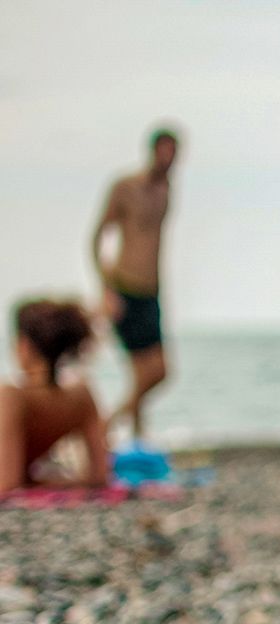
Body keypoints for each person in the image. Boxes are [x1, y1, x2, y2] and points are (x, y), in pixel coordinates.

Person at [92, 126, 180, 440]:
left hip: (151, 291)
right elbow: (97, 236)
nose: (169, 159)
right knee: (152, 374)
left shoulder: (167, 191)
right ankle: (106, 426)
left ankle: (137, 441)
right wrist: (106, 290)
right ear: (152, 151)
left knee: (151, 374)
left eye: (174, 153)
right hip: (125, 288)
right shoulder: (126, 187)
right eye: (165, 151)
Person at [1, 299, 110, 492]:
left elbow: (7, 484)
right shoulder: (81, 395)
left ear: (24, 345)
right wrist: (54, 483)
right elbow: (99, 476)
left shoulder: (12, 396)